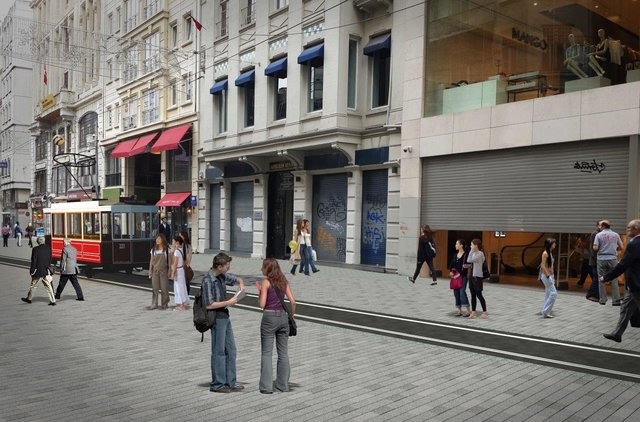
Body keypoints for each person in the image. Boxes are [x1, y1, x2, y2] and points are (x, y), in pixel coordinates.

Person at [201, 252, 246, 393]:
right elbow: (208, 304)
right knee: (219, 352)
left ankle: (230, 382)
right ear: (219, 266)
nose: (228, 268)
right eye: (226, 266)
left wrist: (241, 284)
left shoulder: (221, 276)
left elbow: (235, 279)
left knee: (231, 350)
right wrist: (229, 302)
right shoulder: (208, 281)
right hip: (216, 318)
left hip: (225, 316)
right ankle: (217, 384)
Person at [256, 258, 296, 394]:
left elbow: (262, 305)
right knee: (283, 353)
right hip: (284, 317)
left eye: (263, 267)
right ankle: (283, 385)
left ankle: (266, 387)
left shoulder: (266, 282)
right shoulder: (284, 281)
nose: (261, 269)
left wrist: (260, 291)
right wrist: (292, 316)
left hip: (269, 318)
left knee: (267, 353)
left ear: (268, 269)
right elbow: (293, 301)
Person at [600, 219, 640, 343]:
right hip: (634, 286)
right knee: (625, 308)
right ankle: (617, 334)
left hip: (637, 285)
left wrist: (606, 277)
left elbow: (623, 264)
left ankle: (617, 333)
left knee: (627, 307)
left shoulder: (634, 244)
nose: (627, 230)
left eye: (629, 228)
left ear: (636, 229)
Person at [593, 219, 623, 306]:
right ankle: (616, 300)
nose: (599, 227)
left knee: (601, 279)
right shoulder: (616, 234)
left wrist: (601, 248)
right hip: (612, 258)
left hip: (601, 258)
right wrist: (613, 248)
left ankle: (602, 299)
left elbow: (595, 248)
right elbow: (621, 246)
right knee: (614, 279)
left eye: (600, 226)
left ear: (603, 226)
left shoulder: (599, 235)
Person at [21, 236, 56, 306]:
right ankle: (53, 301)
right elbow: (50, 259)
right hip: (46, 270)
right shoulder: (49, 248)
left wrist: (32, 270)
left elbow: (34, 261)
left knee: (33, 285)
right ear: (44, 241)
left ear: (38, 241)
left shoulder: (35, 249)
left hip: (38, 271)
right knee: (48, 286)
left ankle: (29, 299)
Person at [148, 234, 170, 310]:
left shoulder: (166, 249)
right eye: (156, 239)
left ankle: (165, 303)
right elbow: (151, 261)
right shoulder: (153, 249)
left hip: (164, 271)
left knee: (164, 288)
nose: (157, 240)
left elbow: (169, 262)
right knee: (155, 288)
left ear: (162, 240)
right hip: (155, 271)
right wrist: (150, 270)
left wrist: (170, 270)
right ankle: (154, 304)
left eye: (159, 239)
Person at [467, 238, 488, 319]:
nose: (470, 246)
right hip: (471, 276)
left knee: (479, 295)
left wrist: (471, 251)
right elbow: (470, 262)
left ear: (476, 245)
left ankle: (485, 312)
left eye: (471, 245)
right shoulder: (474, 253)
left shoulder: (480, 254)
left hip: (477, 277)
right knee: (472, 295)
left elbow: (469, 260)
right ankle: (473, 312)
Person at [449, 239, 470, 317]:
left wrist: (461, 271)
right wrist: (451, 271)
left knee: (462, 292)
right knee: (456, 293)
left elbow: (469, 265)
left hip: (463, 276)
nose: (455, 245)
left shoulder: (466, 255)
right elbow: (451, 265)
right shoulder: (455, 255)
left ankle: (468, 310)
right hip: (455, 277)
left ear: (461, 245)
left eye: (456, 244)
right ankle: (459, 310)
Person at [538, 238, 558, 318]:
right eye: (553, 243)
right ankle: (545, 311)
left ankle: (545, 310)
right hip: (546, 276)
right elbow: (543, 266)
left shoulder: (549, 252)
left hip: (550, 276)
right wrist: (548, 276)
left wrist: (552, 276)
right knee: (554, 294)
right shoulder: (545, 253)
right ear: (550, 244)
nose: (555, 244)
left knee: (548, 293)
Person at [170, 235, 189, 310]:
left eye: (173, 241)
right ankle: (181, 303)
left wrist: (173, 273)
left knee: (178, 287)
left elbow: (175, 263)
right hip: (181, 270)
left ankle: (181, 305)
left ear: (177, 242)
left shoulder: (177, 252)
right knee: (181, 286)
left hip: (178, 270)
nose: (172, 243)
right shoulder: (182, 250)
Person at [585, 221, 602, 302]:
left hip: (596, 260)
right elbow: (592, 249)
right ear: (597, 226)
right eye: (601, 225)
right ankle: (591, 294)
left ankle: (596, 295)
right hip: (595, 260)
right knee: (596, 278)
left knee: (597, 278)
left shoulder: (600, 234)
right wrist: (597, 259)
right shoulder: (595, 234)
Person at [179, 230, 193, 294]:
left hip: (185, 265)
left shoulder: (188, 246)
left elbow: (190, 256)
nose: (179, 237)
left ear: (184, 236)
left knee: (186, 281)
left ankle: (187, 293)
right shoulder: (179, 245)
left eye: (180, 235)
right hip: (179, 265)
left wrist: (187, 264)